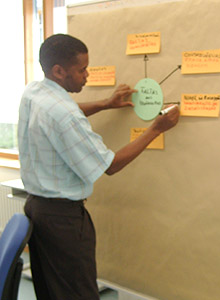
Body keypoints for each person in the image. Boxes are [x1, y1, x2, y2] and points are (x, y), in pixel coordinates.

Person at [18, 34, 179, 300]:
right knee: (78, 293)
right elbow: (111, 165)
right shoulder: (64, 113)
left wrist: (105, 103)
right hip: (63, 221)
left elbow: (63, 111)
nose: (87, 75)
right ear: (58, 71)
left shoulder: (34, 91)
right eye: (81, 70)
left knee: (51, 291)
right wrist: (155, 129)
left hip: (37, 210)